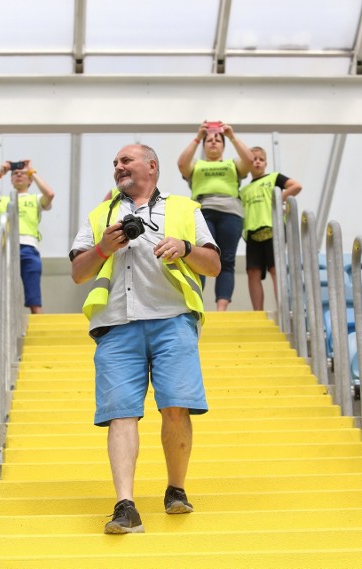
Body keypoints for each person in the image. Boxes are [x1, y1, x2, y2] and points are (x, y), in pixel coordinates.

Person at [69, 144, 220, 534]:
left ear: (152, 167)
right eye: (115, 162)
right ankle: (125, 505)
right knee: (120, 413)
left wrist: (185, 248)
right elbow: (78, 273)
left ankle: (176, 489)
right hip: (117, 324)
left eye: (126, 161)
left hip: (173, 321)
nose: (118, 166)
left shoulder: (186, 209)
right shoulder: (100, 213)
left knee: (176, 407)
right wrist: (104, 246)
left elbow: (214, 265)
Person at [178, 121, 253, 311]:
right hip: (202, 211)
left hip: (231, 212)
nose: (213, 142)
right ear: (203, 146)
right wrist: (198, 136)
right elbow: (182, 164)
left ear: (223, 145)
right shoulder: (197, 165)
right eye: (209, 140)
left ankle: (221, 309)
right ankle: (197, 306)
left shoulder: (233, 164)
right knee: (200, 257)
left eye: (217, 140)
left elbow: (249, 160)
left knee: (226, 260)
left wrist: (231, 135)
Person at [0, 159, 55, 314]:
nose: (19, 175)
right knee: (4, 293)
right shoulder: (2, 200)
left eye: (23, 173)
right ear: (11, 180)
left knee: (33, 294)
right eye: (15, 174)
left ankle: (39, 325)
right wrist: (0, 173)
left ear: (30, 180)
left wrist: (32, 171)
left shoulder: (36, 199)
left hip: (29, 248)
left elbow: (50, 194)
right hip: (4, 249)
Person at [239, 146, 303, 311]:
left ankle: (283, 309)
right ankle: (257, 312)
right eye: (253, 159)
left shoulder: (274, 178)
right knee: (253, 272)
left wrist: (278, 199)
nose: (257, 162)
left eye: (260, 159)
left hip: (274, 230)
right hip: (252, 233)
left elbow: (296, 186)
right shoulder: (243, 190)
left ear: (266, 163)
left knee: (276, 270)